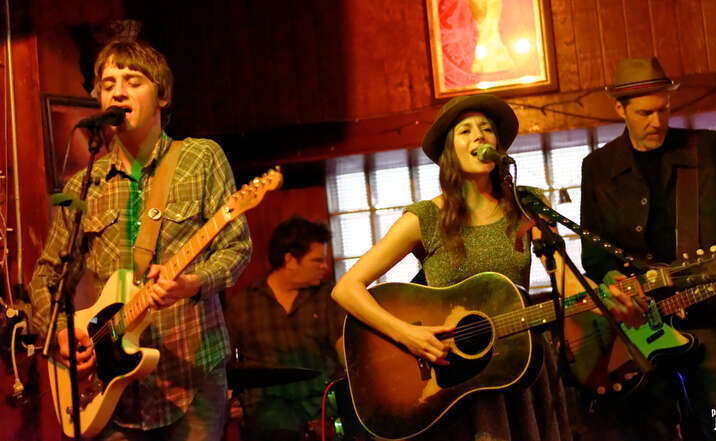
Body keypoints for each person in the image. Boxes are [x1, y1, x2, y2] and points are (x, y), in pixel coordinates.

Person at [331, 93, 644, 441]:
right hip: (458, 380)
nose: (479, 136)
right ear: (449, 151)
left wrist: (606, 299)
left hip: (522, 368)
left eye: (487, 129)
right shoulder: (426, 218)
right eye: (465, 131)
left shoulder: (527, 205)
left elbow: (566, 279)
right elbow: (346, 288)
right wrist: (407, 334)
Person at [29, 40, 252, 440]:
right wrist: (60, 334)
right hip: (109, 387)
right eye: (108, 83)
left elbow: (237, 249)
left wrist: (192, 283)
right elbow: (47, 276)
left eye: (132, 81)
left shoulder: (200, 159)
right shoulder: (85, 184)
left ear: (162, 95)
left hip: (191, 375)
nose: (117, 91)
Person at [579, 57, 716, 441]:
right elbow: (594, 253)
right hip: (639, 327)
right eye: (644, 113)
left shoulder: (706, 148)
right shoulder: (597, 167)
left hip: (704, 314)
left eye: (663, 109)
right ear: (619, 109)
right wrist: (612, 278)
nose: (656, 122)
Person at [225, 216, 346, 441]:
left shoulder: (329, 297)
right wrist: (232, 402)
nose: (325, 267)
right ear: (290, 260)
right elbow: (226, 365)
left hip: (322, 410)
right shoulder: (242, 305)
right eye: (317, 261)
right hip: (266, 417)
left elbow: (344, 350)